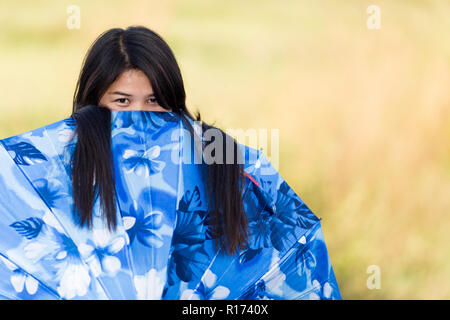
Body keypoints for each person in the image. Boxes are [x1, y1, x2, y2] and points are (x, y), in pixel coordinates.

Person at [0, 26, 341, 300]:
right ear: (91, 104)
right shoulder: (53, 173)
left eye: (154, 102)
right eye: (122, 101)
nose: (139, 119)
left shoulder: (221, 166)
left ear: (175, 105)